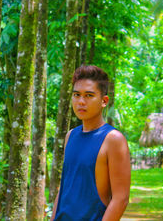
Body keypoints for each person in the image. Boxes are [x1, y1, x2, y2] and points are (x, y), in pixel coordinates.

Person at [51, 65, 131, 221]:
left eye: (89, 95)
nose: (81, 101)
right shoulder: (71, 136)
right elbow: (64, 190)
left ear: (104, 101)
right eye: (76, 95)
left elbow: (121, 198)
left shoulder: (113, 139)